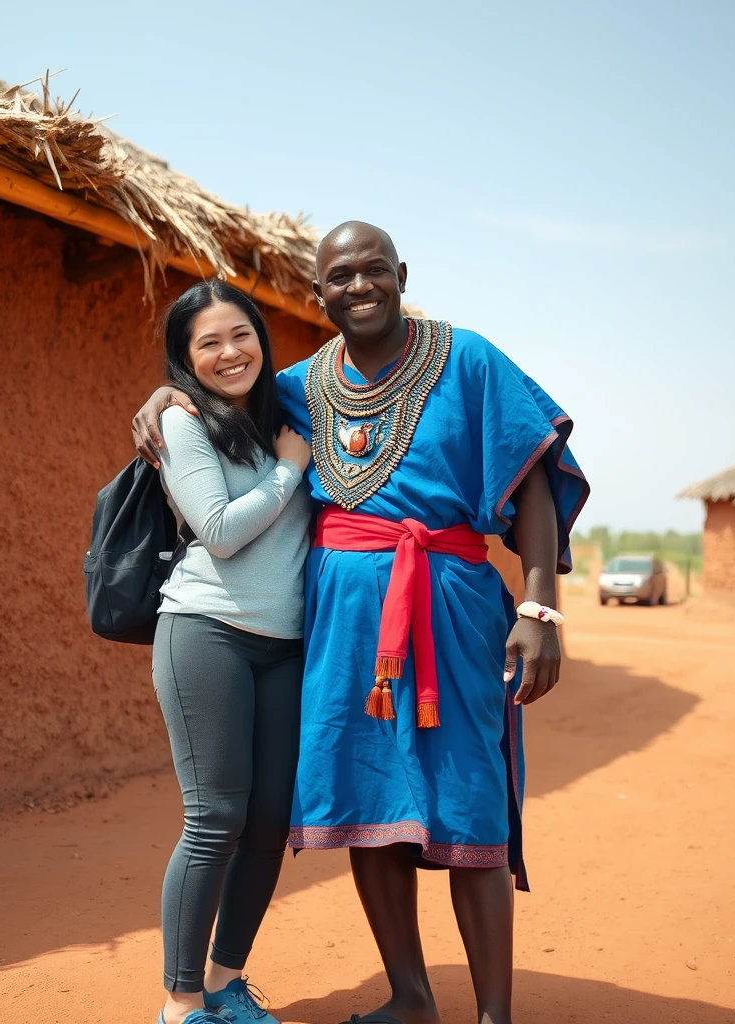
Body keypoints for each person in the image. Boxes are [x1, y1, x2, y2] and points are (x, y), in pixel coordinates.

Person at [132, 223, 589, 1024]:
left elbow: (535, 473)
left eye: (375, 270)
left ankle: (493, 1016)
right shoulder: (300, 387)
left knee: (469, 796)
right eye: (340, 276)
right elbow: (213, 398)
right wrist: (165, 395)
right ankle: (411, 997)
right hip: (342, 628)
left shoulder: (467, 358)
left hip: (449, 608)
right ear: (319, 294)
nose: (360, 286)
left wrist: (540, 604)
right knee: (365, 802)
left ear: (402, 274)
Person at [147, 279, 313, 1024]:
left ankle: (223, 983)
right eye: (207, 342)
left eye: (240, 334)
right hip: (206, 632)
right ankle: (181, 1005)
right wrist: (288, 470)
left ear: (260, 338)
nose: (229, 352)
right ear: (186, 359)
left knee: (270, 820)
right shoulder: (184, 425)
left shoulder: (290, 411)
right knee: (216, 816)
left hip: (284, 645)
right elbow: (216, 529)